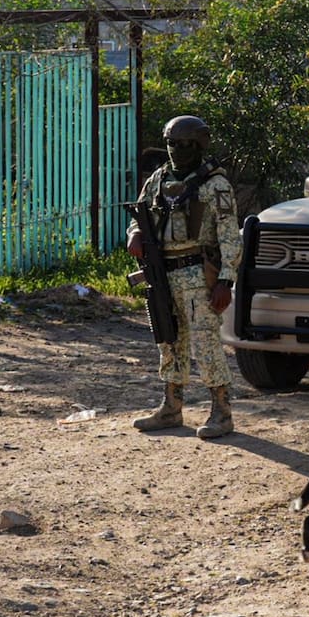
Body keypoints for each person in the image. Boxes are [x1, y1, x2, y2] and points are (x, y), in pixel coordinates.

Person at [127, 115, 243, 439]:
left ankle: (222, 411)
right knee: (169, 338)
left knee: (205, 341)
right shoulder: (158, 180)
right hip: (163, 271)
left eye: (184, 144)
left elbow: (230, 236)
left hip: (197, 272)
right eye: (171, 144)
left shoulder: (215, 184)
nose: (176, 150)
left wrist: (225, 280)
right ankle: (171, 407)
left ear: (199, 145)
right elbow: (140, 215)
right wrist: (135, 233)